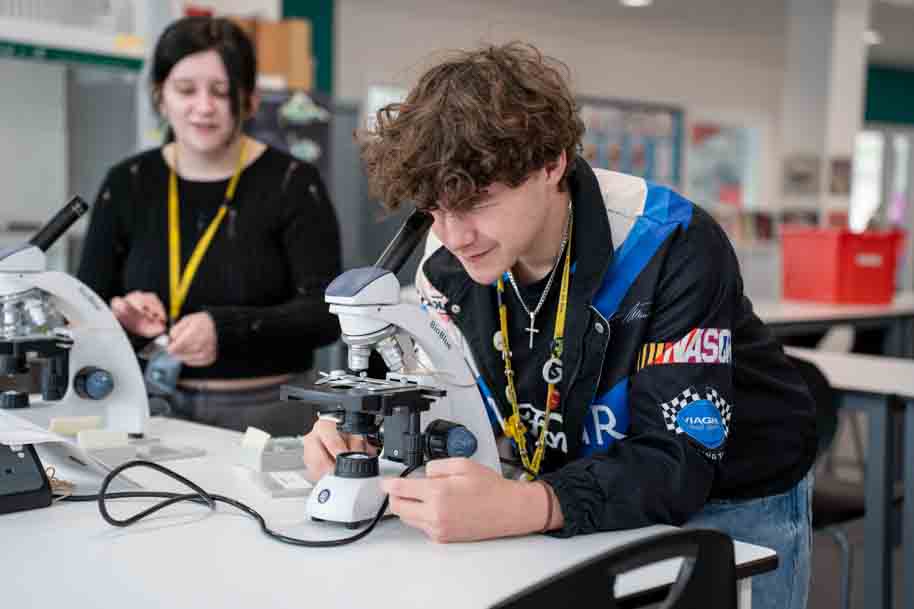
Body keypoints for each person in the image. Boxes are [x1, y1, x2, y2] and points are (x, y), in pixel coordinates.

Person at [301, 42, 816, 609]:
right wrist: (360, 437)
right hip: (571, 484)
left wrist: (531, 505)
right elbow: (444, 397)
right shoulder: (442, 263)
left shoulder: (669, 241)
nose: (454, 234)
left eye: (478, 201)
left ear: (552, 163)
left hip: (732, 498)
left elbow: (680, 457)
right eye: (434, 208)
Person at [77, 16, 341, 436]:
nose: (203, 107)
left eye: (221, 92)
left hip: (269, 415)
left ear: (249, 100)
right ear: (160, 96)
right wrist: (121, 315)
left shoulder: (292, 183)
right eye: (185, 90)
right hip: (148, 407)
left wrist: (229, 329)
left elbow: (327, 315)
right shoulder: (127, 183)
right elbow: (84, 304)